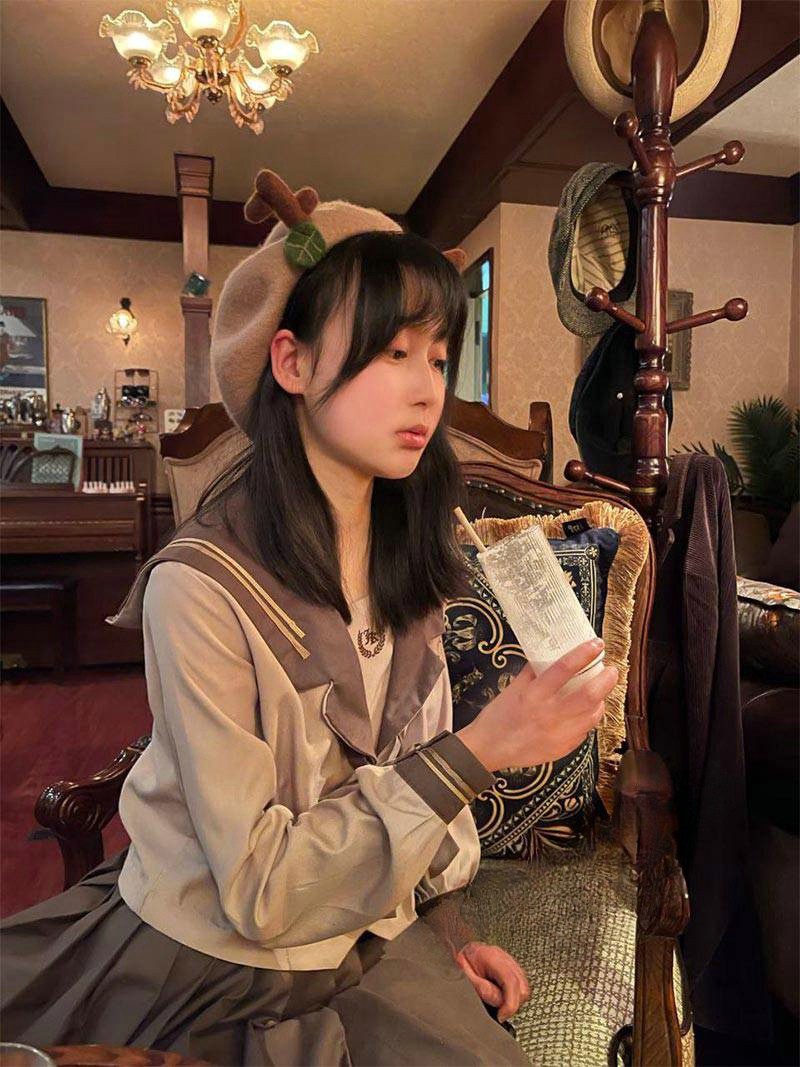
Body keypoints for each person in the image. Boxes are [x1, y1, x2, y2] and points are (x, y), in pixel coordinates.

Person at [0, 170, 618, 1066]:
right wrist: (484, 748)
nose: (427, 391)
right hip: (216, 959)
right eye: (391, 352)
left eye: (437, 357)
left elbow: (406, 790)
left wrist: (440, 932)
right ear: (290, 363)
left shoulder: (414, 557)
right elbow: (259, 890)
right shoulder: (198, 588)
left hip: (370, 931)